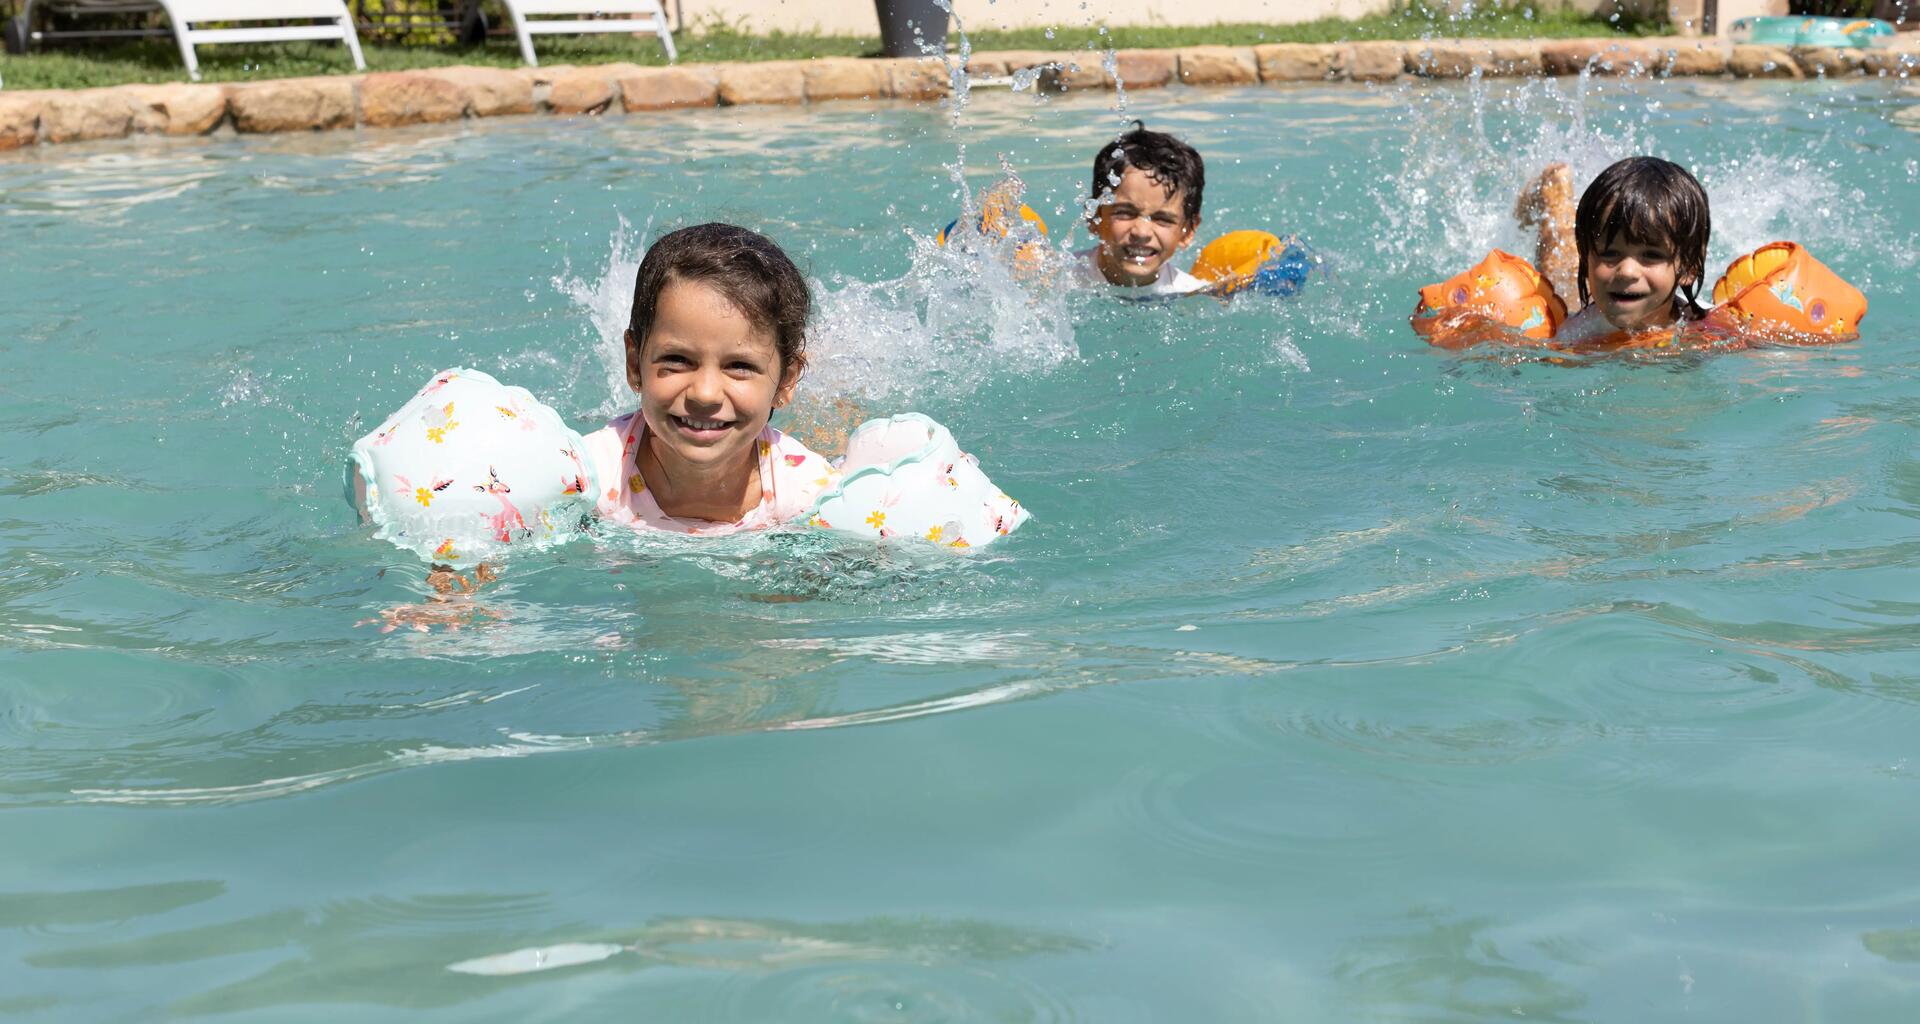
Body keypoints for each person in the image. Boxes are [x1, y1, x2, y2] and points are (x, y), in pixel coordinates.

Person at [580, 222, 840, 535]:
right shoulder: (588, 479)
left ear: (785, 383)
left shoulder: (808, 499)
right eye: (678, 360)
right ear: (635, 364)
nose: (704, 394)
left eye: (739, 365)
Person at [1517, 156, 1712, 347]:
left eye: (1651, 255)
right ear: (1585, 258)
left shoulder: (1709, 329)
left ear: (1689, 267)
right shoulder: (1572, 337)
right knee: (1558, 283)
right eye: (1610, 253)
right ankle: (1553, 191)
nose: (1627, 271)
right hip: (1581, 311)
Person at [1078, 122, 1209, 297]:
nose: (1141, 232)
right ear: (1094, 216)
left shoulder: (1191, 296)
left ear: (1188, 231)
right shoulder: (1059, 281)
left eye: (1163, 219)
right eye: (1125, 213)